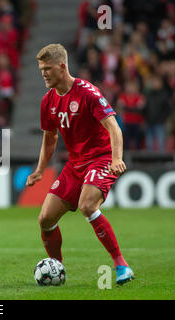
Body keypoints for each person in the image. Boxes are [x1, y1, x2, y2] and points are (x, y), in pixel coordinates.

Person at [26, 44, 134, 285]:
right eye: (41, 69)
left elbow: (114, 127)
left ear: (62, 66)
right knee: (45, 219)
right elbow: (50, 138)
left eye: (47, 69)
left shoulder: (88, 93)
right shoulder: (48, 101)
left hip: (101, 159)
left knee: (87, 205)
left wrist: (116, 158)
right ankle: (58, 269)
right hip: (75, 165)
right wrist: (40, 170)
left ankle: (121, 264)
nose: (43, 73)